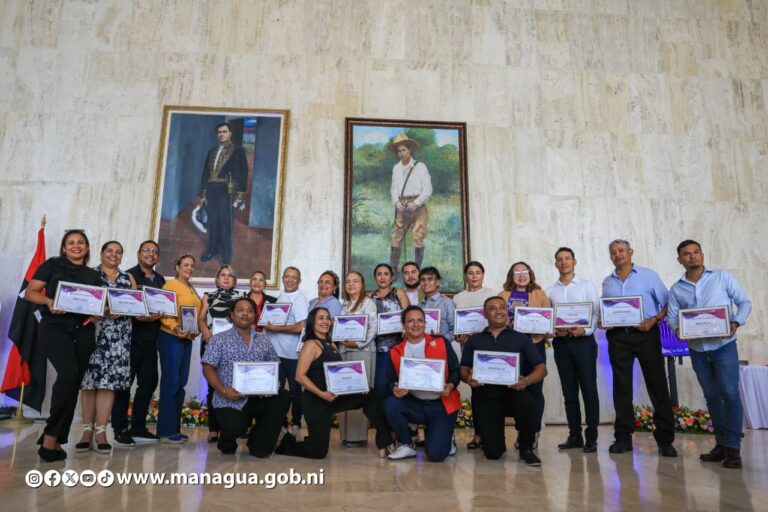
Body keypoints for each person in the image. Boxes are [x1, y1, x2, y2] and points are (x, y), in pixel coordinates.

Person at [667, 240, 752, 469]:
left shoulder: (722, 277)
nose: (692, 256)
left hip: (724, 346)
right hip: (697, 350)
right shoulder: (676, 289)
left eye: (696, 252)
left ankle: (733, 448)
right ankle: (721, 444)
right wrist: (677, 329)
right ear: (680, 260)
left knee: (730, 395)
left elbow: (744, 302)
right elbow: (672, 317)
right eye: (687, 254)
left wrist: (735, 322)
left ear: (702, 255)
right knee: (712, 396)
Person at [26, 230, 102, 462]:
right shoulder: (52, 265)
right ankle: (50, 438)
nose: (76, 246)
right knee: (68, 374)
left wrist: (99, 314)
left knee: (73, 382)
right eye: (71, 243)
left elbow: (99, 306)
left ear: (87, 248)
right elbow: (31, 293)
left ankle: (57, 440)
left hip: (83, 330)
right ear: (64, 248)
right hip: (55, 327)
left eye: (81, 243)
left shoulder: (93, 275)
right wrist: (49, 301)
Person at [275, 308, 390, 459]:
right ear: (312, 322)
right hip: (316, 400)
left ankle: (386, 442)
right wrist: (321, 394)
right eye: (321, 318)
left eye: (328, 318)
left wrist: (359, 386)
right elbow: (299, 376)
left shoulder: (331, 344)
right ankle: (286, 443)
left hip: (333, 398)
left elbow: (340, 376)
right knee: (318, 452)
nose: (325, 321)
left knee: (369, 393)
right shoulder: (310, 344)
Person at [601, 239, 677, 457]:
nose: (618, 255)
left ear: (631, 252)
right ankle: (623, 438)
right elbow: (607, 310)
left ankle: (665, 440)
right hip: (618, 338)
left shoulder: (648, 276)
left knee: (657, 386)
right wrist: (604, 320)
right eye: (613, 252)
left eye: (621, 250)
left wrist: (654, 320)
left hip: (646, 335)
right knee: (621, 388)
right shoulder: (607, 282)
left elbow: (668, 304)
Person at [461, 297, 547, 465]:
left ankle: (526, 448)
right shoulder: (475, 340)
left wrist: (526, 381)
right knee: (493, 453)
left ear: (507, 311)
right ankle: (495, 443)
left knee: (528, 401)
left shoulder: (521, 338)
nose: (499, 311)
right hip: (487, 398)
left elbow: (542, 369)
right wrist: (468, 378)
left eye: (502, 307)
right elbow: (463, 369)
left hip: (514, 393)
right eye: (492, 308)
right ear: (484, 314)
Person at [201, 297, 291, 457]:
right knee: (236, 427)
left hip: (257, 397)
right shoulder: (219, 339)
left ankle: (258, 443)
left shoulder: (263, 340)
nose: (245, 314)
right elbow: (208, 368)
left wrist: (271, 386)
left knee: (282, 396)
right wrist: (223, 390)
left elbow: (274, 366)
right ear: (232, 314)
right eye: (240, 310)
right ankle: (226, 440)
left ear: (254, 316)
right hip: (229, 398)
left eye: (250, 311)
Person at [77, 241, 137, 454]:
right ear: (101, 253)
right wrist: (101, 310)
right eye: (110, 251)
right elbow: (80, 302)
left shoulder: (128, 278)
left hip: (119, 336)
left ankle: (101, 432)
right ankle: (87, 431)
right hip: (92, 333)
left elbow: (135, 305)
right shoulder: (89, 274)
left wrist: (125, 309)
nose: (114, 255)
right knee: (89, 381)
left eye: (118, 252)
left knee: (108, 383)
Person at [383, 306, 461, 462]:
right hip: (416, 404)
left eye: (420, 320)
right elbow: (389, 381)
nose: (416, 324)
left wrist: (451, 386)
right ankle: (407, 444)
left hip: (441, 405)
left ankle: (446, 434)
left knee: (436, 456)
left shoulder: (441, 342)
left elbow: (456, 371)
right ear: (404, 325)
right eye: (410, 321)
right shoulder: (395, 351)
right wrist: (395, 388)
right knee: (391, 404)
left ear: (425, 323)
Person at [545, 247, 601, 453]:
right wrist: (552, 330)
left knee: (589, 390)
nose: (564, 262)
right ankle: (574, 435)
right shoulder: (550, 291)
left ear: (574, 262)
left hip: (584, 342)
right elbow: (547, 318)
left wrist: (585, 330)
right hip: (562, 344)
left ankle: (592, 437)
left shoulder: (587, 286)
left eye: (567, 258)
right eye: (559, 259)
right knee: (569, 392)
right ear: (555, 264)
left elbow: (596, 314)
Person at [111, 240, 165, 446]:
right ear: (138, 253)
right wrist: (141, 315)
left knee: (149, 382)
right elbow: (124, 305)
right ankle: (119, 428)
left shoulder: (160, 280)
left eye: (155, 251)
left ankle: (138, 426)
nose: (151, 254)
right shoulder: (128, 276)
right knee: (124, 384)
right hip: (130, 339)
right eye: (147, 250)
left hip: (152, 340)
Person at [499, 261, 550, 448]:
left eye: (524, 271)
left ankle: (533, 432)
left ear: (530, 274)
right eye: (517, 272)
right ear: (511, 276)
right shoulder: (503, 295)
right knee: (514, 391)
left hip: (534, 345)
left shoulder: (540, 294)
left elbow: (548, 319)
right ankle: (522, 432)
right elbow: (496, 319)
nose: (521, 275)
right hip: (510, 348)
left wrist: (548, 328)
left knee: (535, 390)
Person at [157, 255, 202, 444]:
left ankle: (174, 428)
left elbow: (195, 315)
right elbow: (163, 312)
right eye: (185, 265)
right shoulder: (170, 286)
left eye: (192, 265)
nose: (189, 268)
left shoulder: (191, 288)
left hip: (186, 339)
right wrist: (175, 328)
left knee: (181, 383)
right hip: (171, 338)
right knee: (171, 383)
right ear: (176, 267)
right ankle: (165, 431)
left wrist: (196, 329)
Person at [452, 260, 496, 450]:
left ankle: (491, 434)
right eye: (470, 273)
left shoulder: (490, 294)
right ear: (465, 276)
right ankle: (478, 434)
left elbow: (496, 320)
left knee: (490, 391)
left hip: (488, 347)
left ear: (483, 275)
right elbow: (456, 326)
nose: (474, 276)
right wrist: (459, 336)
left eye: (478, 272)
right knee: (475, 390)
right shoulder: (458, 298)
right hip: (468, 348)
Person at [198, 265, 242, 443]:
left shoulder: (241, 297)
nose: (226, 278)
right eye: (223, 275)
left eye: (230, 275)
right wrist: (206, 332)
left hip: (234, 346)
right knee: (213, 386)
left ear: (234, 280)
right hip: (211, 344)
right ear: (217, 279)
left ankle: (229, 427)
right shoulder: (207, 296)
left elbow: (246, 320)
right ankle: (214, 429)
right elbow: (201, 319)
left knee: (232, 384)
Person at [265, 266, 309, 439]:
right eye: (287, 276)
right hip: (276, 353)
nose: (290, 280)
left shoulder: (299, 299)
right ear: (282, 278)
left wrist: (276, 328)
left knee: (295, 391)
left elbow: (301, 326)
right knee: (277, 390)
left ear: (299, 281)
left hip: (292, 354)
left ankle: (296, 424)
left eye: (294, 277)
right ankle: (281, 424)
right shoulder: (281, 297)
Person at [338, 271, 378, 448]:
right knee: (345, 391)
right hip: (345, 351)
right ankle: (346, 435)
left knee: (360, 392)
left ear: (362, 284)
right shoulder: (345, 305)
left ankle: (358, 436)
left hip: (363, 351)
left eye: (355, 281)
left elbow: (373, 328)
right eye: (348, 281)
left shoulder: (368, 303)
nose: (351, 284)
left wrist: (358, 343)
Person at [199, 122, 248, 265]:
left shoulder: (238, 151)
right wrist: (203, 194)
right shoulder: (212, 151)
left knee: (225, 223)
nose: (221, 134)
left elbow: (243, 173)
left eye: (224, 132)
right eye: (219, 132)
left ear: (230, 133)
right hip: (211, 191)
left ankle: (225, 254)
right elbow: (205, 173)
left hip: (227, 191)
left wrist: (240, 195)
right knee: (212, 222)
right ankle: (212, 249)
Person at [389, 134, 432, 270]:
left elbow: (428, 189)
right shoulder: (396, 168)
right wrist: (397, 203)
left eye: (404, 150)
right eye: (399, 151)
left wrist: (416, 203)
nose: (401, 153)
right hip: (401, 205)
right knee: (396, 236)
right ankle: (393, 270)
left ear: (410, 150)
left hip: (417, 206)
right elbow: (393, 188)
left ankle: (417, 270)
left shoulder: (420, 166)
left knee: (418, 236)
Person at [371, 263, 409, 405]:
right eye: (379, 274)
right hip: (375, 347)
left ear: (392, 278)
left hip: (395, 346)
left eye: (386, 274)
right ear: (375, 278)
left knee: (387, 383)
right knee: (376, 385)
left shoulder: (399, 293)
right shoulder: (370, 297)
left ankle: (390, 414)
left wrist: (405, 329)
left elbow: (408, 316)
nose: (382, 277)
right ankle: (380, 417)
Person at [418, 267, 456, 344]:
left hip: (442, 347)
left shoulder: (447, 303)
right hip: (421, 347)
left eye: (430, 279)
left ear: (437, 282)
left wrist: (440, 341)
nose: (426, 283)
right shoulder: (418, 307)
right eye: (423, 280)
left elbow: (454, 330)